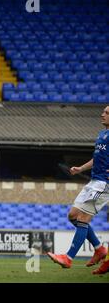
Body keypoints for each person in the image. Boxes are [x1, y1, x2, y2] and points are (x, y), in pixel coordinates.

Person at [48, 106, 109, 269]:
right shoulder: (102, 134)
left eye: (107, 113)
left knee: (83, 219)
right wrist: (81, 168)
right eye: (103, 111)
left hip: (104, 184)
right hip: (94, 181)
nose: (102, 114)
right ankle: (99, 249)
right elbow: (98, 159)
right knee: (73, 216)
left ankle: (68, 258)